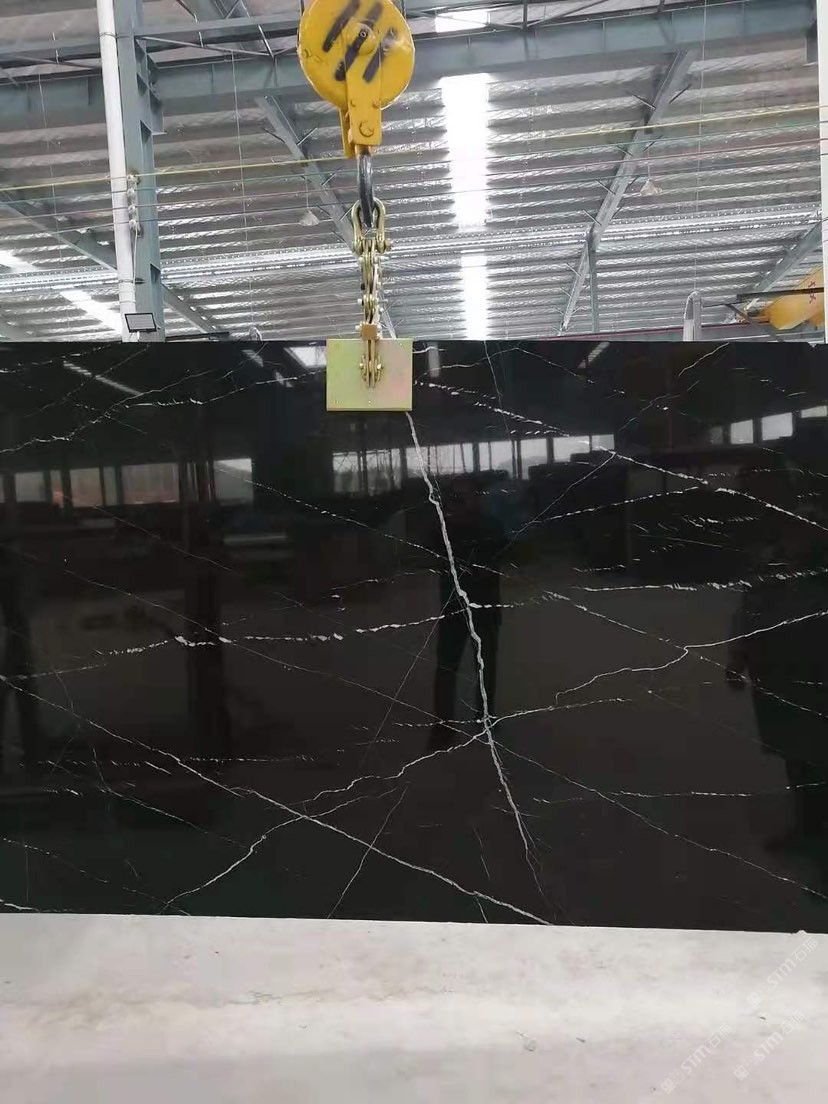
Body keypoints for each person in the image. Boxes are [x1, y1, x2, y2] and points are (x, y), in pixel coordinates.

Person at [429, 476, 505, 750]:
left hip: (484, 606)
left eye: (466, 496)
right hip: (454, 607)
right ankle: (443, 725)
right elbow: (432, 548)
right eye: (456, 497)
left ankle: (485, 716)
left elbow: (501, 553)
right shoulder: (445, 527)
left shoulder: (490, 525)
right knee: (446, 666)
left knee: (485, 665)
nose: (462, 501)